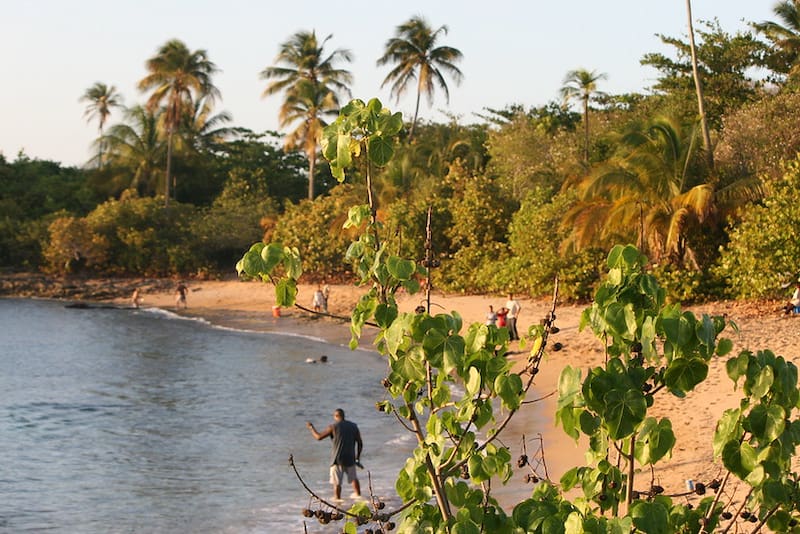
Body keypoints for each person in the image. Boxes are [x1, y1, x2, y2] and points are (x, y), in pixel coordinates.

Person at [306, 409, 363, 501]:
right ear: (343, 416)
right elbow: (360, 443)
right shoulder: (353, 426)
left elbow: (319, 437)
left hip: (337, 460)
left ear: (335, 416)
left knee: (337, 483)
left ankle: (338, 501)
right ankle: (359, 497)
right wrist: (357, 458)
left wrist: (311, 427)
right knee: (354, 479)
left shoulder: (333, 427)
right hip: (350, 458)